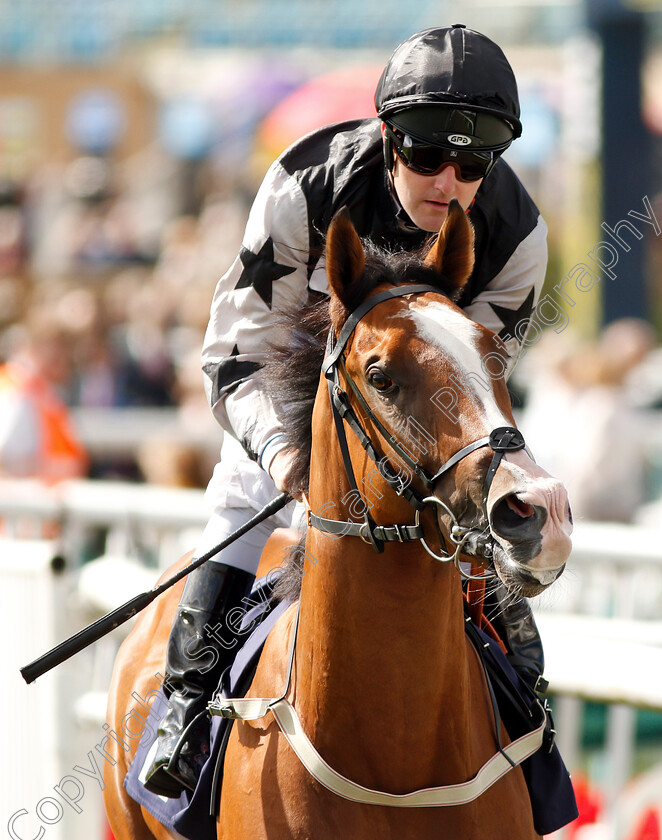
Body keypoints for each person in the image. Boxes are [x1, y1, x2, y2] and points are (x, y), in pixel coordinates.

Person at [145, 24, 549, 796]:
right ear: (387, 136)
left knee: (484, 528)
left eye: (473, 163)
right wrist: (288, 458)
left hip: (414, 422)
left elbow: (468, 393)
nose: (449, 183)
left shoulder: (518, 235)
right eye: (427, 155)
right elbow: (236, 353)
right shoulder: (305, 184)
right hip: (293, 400)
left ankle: (528, 722)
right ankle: (185, 712)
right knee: (242, 500)